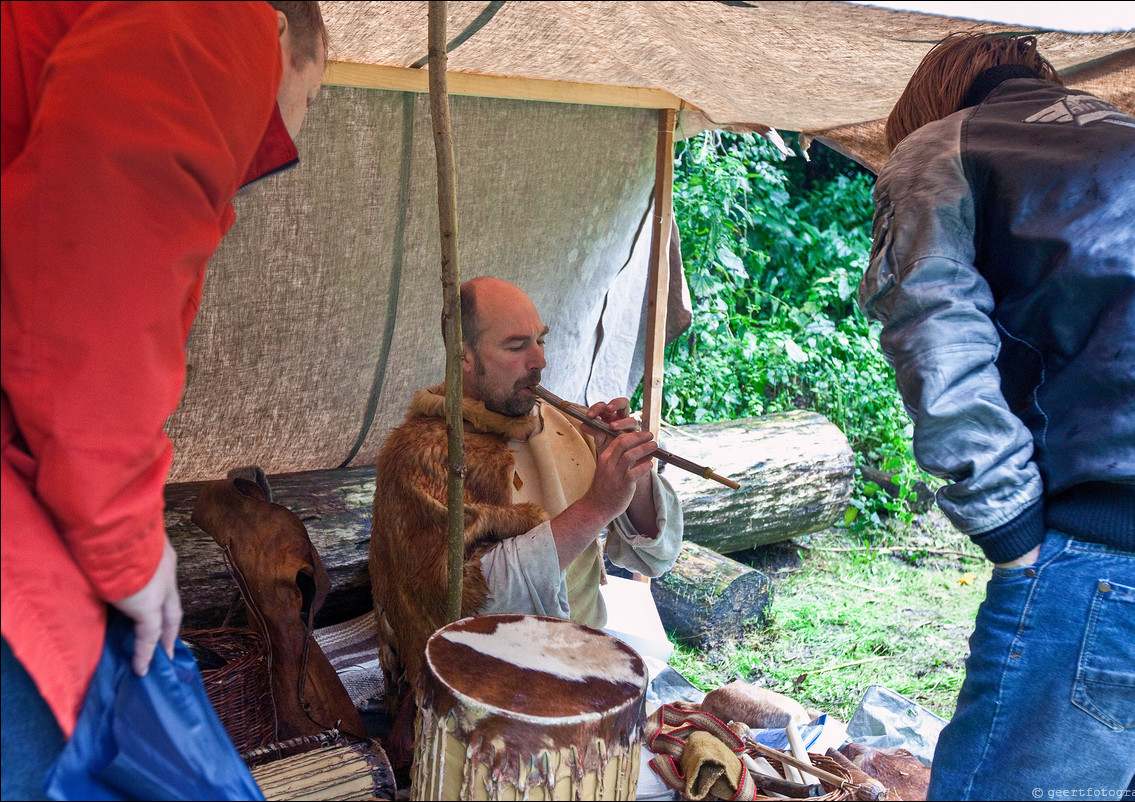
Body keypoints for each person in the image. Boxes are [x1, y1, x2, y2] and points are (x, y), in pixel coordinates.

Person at [858, 32, 1135, 801]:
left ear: (932, 94)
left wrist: (1009, 534)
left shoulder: (940, 145)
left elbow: (933, 332)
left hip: (1120, 547)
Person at [1, 2, 327, 798]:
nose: (296, 129)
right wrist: (129, 551)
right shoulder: (223, 17)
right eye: (313, 99)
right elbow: (89, 273)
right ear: (288, 39)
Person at [370, 276, 685, 763]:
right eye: (516, 346)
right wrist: (596, 506)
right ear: (463, 357)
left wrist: (630, 471)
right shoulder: (425, 454)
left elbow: (656, 555)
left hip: (589, 682)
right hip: (490, 705)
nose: (539, 361)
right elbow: (464, 611)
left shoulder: (561, 423)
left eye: (540, 339)